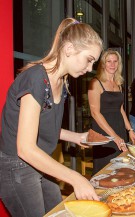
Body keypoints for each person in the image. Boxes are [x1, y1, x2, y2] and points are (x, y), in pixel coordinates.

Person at [0, 18, 103, 217]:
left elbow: (43, 127)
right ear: (69, 49)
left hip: (39, 161)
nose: (90, 69)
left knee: (58, 211)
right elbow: (25, 148)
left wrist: (77, 137)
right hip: (17, 166)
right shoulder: (36, 78)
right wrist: (76, 177)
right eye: (89, 59)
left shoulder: (62, 82)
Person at [88, 49, 135, 174]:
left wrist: (130, 130)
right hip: (103, 131)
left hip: (119, 127)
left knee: (120, 167)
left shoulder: (118, 83)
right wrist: (114, 136)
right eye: (109, 61)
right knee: (105, 170)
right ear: (103, 64)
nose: (112, 64)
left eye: (115, 61)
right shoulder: (96, 83)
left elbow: (120, 109)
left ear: (118, 64)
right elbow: (95, 113)